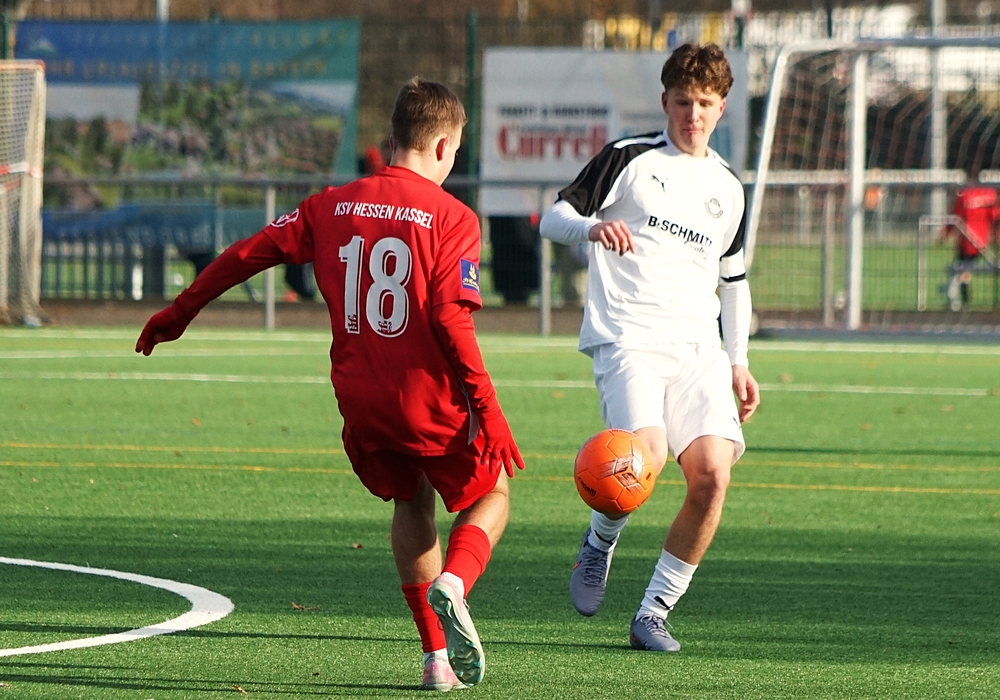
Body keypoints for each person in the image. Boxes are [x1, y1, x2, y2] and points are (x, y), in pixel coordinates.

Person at [135, 78, 525, 690]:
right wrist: (489, 407)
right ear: (443, 146)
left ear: (392, 139)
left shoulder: (332, 204)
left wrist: (180, 311)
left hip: (362, 400)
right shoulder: (453, 217)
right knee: (494, 492)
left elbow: (247, 253)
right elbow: (452, 317)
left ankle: (436, 659)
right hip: (428, 398)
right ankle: (455, 581)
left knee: (410, 500)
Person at [539, 43, 760, 652]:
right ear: (665, 102)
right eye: (683, 101)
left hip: (698, 349)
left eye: (705, 103)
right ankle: (600, 541)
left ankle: (653, 612)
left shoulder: (728, 187)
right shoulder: (629, 158)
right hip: (628, 337)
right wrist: (591, 226)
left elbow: (734, 281)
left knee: (713, 477)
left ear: (721, 108)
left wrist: (738, 359)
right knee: (645, 459)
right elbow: (553, 218)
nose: (694, 114)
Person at [943, 172, 1000, 311]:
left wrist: (946, 234)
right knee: (964, 269)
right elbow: (996, 218)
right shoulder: (989, 193)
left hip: (967, 241)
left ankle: (959, 298)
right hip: (981, 241)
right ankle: (961, 297)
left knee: (962, 269)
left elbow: (955, 216)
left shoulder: (964, 194)